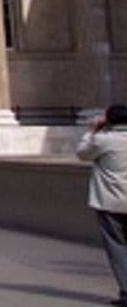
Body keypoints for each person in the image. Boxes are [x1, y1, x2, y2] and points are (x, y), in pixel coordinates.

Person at [77, 104, 127, 305]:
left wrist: (91, 131)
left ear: (109, 121)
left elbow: (82, 153)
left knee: (117, 247)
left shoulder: (103, 141)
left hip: (110, 203)